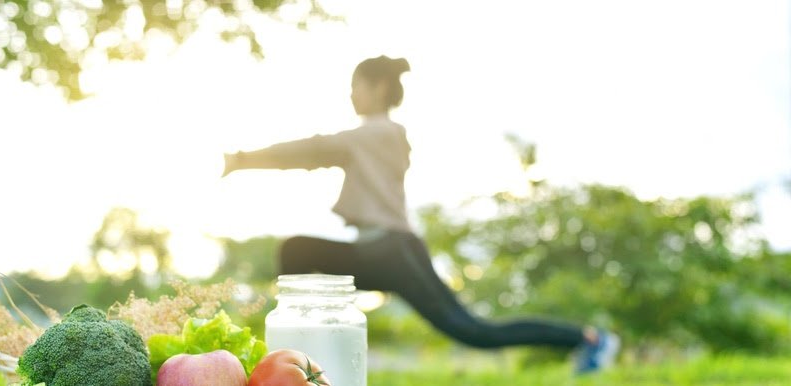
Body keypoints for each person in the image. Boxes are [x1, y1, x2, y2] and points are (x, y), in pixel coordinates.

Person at [221, 55, 619, 373]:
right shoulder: (379, 137)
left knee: (475, 331)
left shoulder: (380, 133)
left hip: (389, 252)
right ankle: (302, 358)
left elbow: (311, 150)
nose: (350, 95)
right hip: (388, 251)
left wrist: (242, 159)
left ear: (377, 88)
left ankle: (588, 339)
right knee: (477, 329)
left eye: (354, 86)